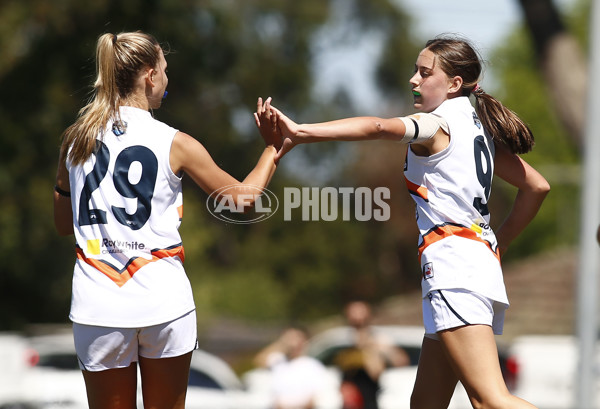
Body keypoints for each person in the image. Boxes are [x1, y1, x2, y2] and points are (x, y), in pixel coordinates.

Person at [256, 35, 550, 409]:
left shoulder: (437, 123)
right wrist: (500, 244)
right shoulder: (477, 127)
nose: (413, 79)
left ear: (455, 83)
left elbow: (378, 127)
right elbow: (537, 187)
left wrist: (302, 132)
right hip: (472, 265)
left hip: (455, 268)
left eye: (424, 72)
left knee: (490, 401)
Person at [53, 31, 279, 409]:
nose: (168, 79)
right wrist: (272, 149)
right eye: (165, 69)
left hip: (99, 303)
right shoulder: (175, 141)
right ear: (150, 76)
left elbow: (64, 224)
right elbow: (243, 201)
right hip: (163, 302)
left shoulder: (75, 140)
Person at [333, 301, 409, 409]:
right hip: (349, 400)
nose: (357, 318)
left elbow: (400, 361)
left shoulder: (377, 339)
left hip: (370, 398)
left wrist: (373, 348)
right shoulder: (343, 340)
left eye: (360, 313)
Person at [254, 326, 339, 409]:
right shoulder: (278, 361)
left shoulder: (312, 366)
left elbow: (317, 398)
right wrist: (281, 344)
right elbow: (259, 360)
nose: (291, 341)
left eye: (295, 337)